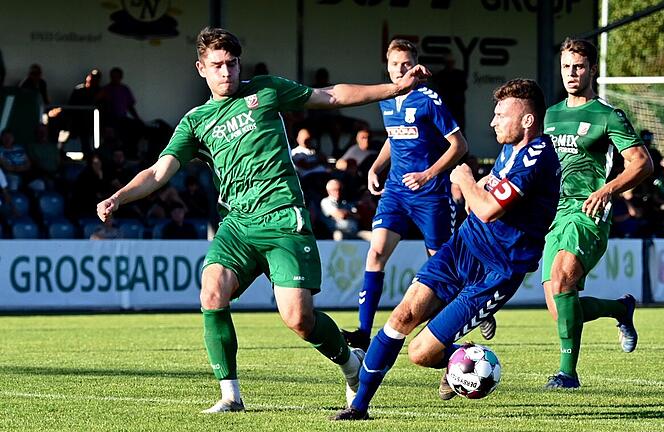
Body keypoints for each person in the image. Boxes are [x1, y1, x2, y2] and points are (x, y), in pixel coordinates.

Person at [95, 26, 431, 414]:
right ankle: (230, 396)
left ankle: (351, 364)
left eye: (232, 64)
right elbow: (158, 172)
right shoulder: (195, 122)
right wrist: (119, 196)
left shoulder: (266, 90)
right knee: (211, 291)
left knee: (299, 320)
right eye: (217, 65)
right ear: (201, 68)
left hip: (283, 219)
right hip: (237, 225)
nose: (226, 72)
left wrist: (395, 88)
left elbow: (332, 95)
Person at [332, 78, 561, 421]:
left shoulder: (538, 155)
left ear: (527, 120)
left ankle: (463, 357)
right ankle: (358, 408)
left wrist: (465, 178)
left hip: (497, 271)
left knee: (420, 354)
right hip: (463, 247)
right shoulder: (512, 148)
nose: (493, 121)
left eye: (501, 115)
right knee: (402, 316)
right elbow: (493, 191)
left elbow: (487, 208)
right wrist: (480, 184)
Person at [341, 39, 471, 351]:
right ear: (387, 66)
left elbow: (460, 146)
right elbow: (393, 137)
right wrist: (375, 167)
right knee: (375, 253)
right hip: (396, 193)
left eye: (406, 63)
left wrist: (428, 174)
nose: (400, 69)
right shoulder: (386, 100)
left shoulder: (428, 100)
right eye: (395, 64)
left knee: (441, 267)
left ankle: (472, 308)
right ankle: (362, 331)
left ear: (414, 65)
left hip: (431, 196)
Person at [541, 38, 653, 389]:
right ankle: (620, 309)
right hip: (555, 215)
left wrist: (606, 190)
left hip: (589, 210)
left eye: (578, 66)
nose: (571, 73)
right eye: (565, 67)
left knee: (562, 281)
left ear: (592, 69)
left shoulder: (607, 114)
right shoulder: (551, 114)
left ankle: (567, 374)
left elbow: (642, 163)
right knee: (561, 309)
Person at [432, 54, 467, 131]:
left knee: (459, 130)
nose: (449, 64)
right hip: (445, 107)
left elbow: (463, 87)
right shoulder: (441, 75)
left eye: (451, 62)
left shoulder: (459, 74)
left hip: (458, 108)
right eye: (447, 62)